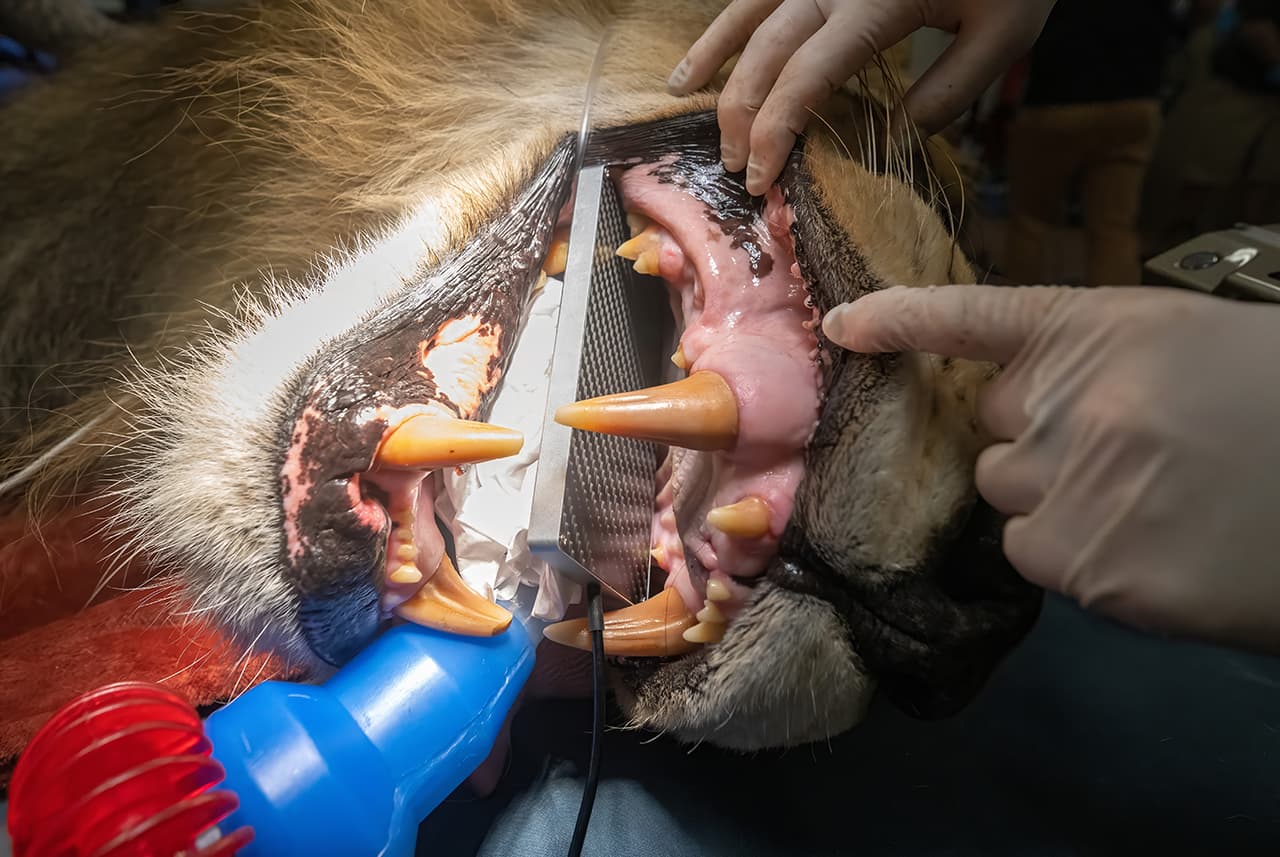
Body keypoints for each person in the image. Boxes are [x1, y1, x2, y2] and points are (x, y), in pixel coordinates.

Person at [667, 0, 1280, 657]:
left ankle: (1091, 327)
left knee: (1036, 224)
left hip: (1058, 109)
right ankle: (1100, 319)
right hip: (1136, 108)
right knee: (1113, 230)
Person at [1001, 0, 1175, 286]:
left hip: (1057, 99)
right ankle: (1116, 313)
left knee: (1031, 222)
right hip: (1135, 99)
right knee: (1113, 227)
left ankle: (1014, 306)